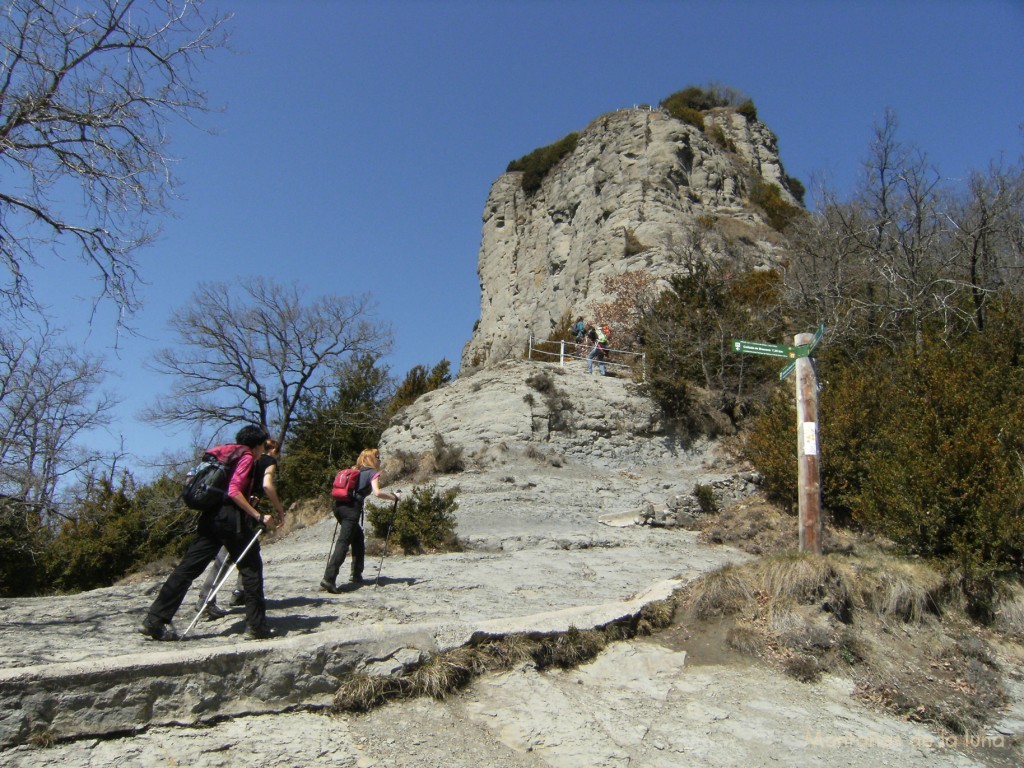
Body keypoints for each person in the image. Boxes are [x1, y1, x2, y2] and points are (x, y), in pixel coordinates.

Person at [139, 424, 279, 641]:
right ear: (258, 444)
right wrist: (258, 515)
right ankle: (257, 626)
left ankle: (154, 620)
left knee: (187, 569)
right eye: (262, 446)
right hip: (232, 519)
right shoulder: (247, 456)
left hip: (209, 516)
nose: (262, 450)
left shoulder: (225, 453)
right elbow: (233, 491)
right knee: (251, 568)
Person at [196, 438, 286, 617]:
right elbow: (266, 485)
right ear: (273, 450)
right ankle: (206, 601)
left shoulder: (247, 459)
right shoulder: (268, 461)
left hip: (233, 511)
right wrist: (279, 508)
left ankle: (240, 592)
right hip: (240, 514)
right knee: (227, 557)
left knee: (249, 553)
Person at [320, 448, 401, 594]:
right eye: (378, 457)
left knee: (357, 537)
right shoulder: (372, 473)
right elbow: (377, 493)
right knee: (343, 542)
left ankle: (356, 574)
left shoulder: (354, 470)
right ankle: (329, 578)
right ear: (373, 459)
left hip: (338, 507)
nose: (380, 460)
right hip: (351, 509)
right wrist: (393, 497)